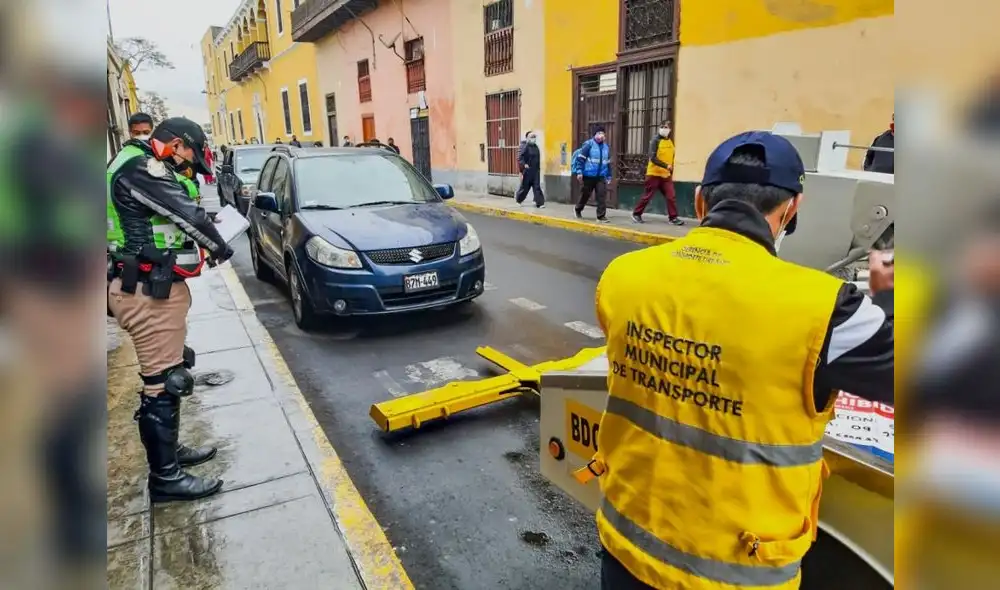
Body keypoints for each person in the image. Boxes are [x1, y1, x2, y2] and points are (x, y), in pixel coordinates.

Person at [581, 131, 894, 590]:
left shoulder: (622, 277)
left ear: (702, 203)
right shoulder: (827, 309)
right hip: (737, 571)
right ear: (792, 210)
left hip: (627, 551)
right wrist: (884, 298)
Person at [107, 117, 234, 504]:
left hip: (151, 286)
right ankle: (165, 478)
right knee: (161, 382)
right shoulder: (140, 167)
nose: (189, 168)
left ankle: (171, 455)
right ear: (176, 144)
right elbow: (187, 215)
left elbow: (166, 219)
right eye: (190, 159)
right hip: (144, 291)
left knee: (170, 372)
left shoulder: (135, 161)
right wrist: (221, 246)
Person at [632, 120, 683, 225]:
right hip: (654, 174)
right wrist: (666, 166)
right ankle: (636, 214)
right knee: (648, 195)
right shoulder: (655, 141)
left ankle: (673, 218)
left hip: (666, 175)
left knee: (671, 196)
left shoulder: (670, 142)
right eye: (663, 127)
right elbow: (653, 158)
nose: (665, 129)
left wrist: (670, 169)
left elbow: (671, 157)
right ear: (659, 128)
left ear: (670, 129)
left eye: (667, 127)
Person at [572, 128, 613, 223]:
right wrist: (579, 172)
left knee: (601, 195)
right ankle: (578, 209)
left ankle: (601, 216)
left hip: (601, 176)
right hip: (589, 175)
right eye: (599, 133)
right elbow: (580, 159)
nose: (601, 135)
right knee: (585, 194)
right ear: (594, 135)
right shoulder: (588, 144)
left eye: (603, 133)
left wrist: (609, 175)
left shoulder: (606, 147)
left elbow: (607, 163)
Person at [515, 130, 545, 208]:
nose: (533, 138)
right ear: (527, 138)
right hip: (527, 170)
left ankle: (539, 203)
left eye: (534, 137)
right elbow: (520, 157)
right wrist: (524, 165)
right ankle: (518, 200)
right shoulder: (524, 146)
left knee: (537, 186)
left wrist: (538, 169)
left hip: (535, 171)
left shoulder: (536, 147)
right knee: (525, 187)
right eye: (532, 137)